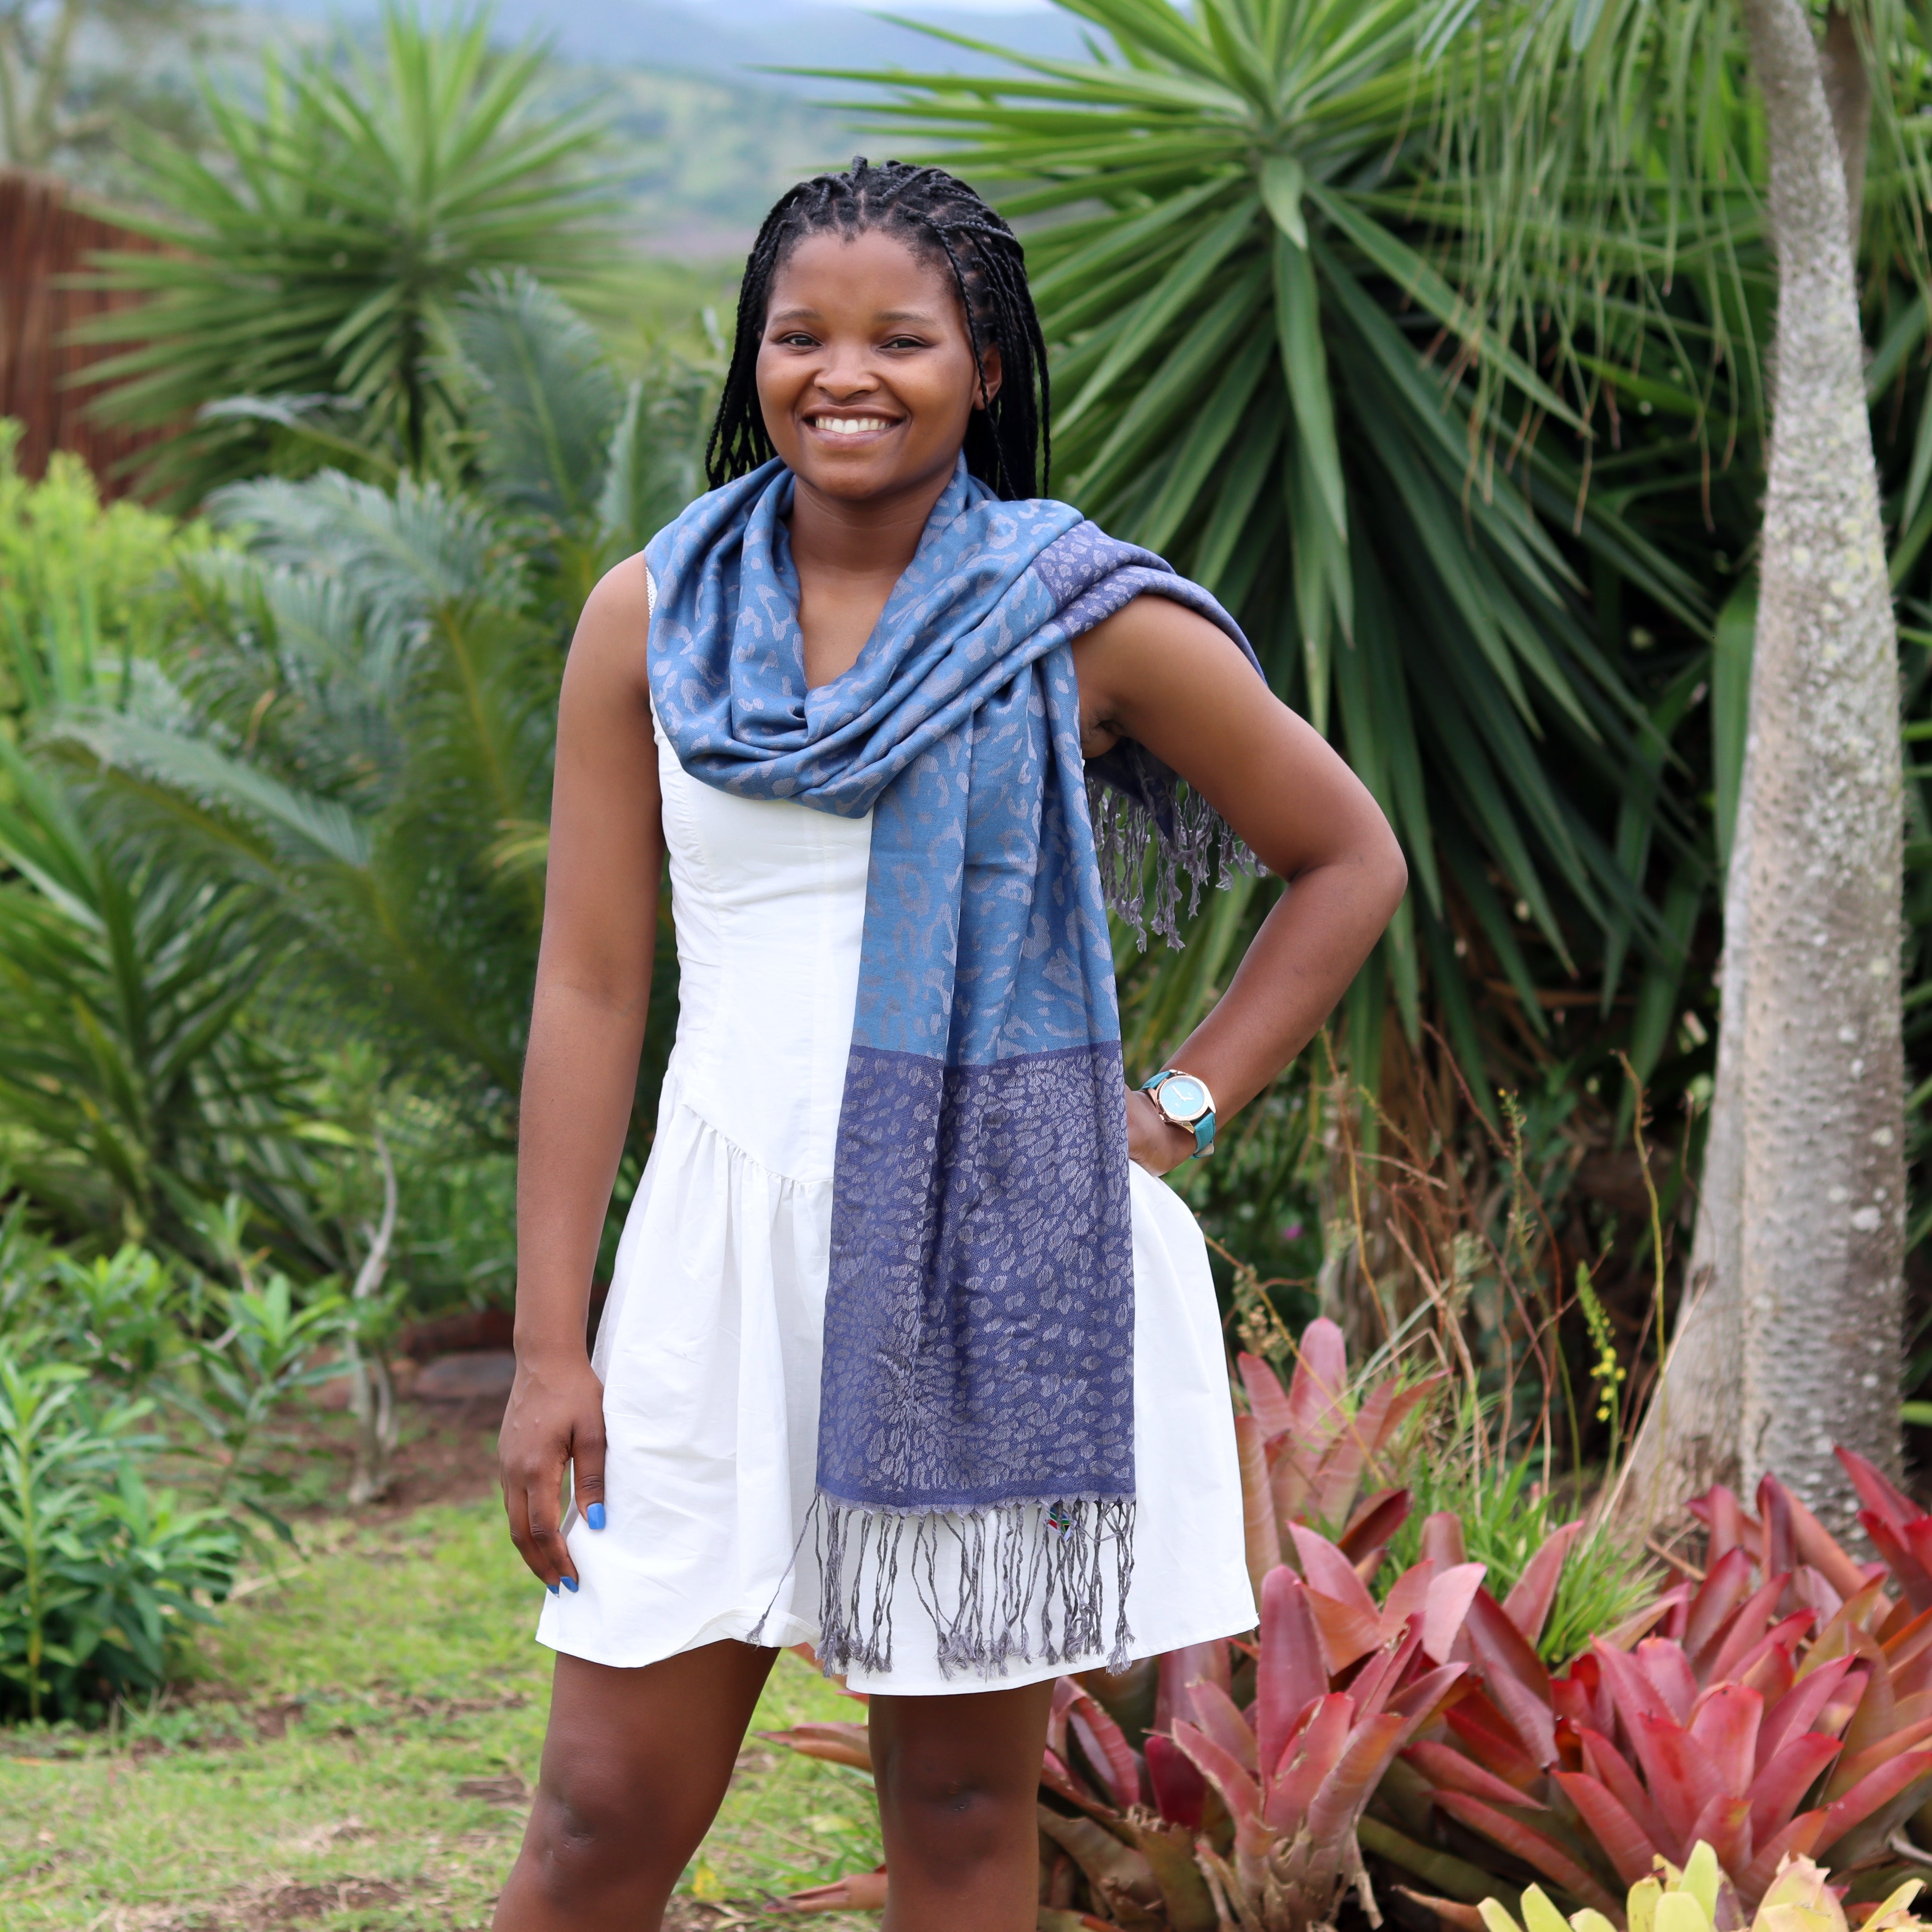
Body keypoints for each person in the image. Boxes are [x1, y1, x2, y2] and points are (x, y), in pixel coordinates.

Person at [492, 159, 1407, 1932]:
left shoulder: (1082, 619)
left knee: (965, 1804)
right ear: (749, 358)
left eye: (900, 338)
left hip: (993, 1261)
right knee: (602, 1815)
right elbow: (592, 986)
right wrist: (548, 1346)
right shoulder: (654, 620)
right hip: (718, 1251)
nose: (846, 373)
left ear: (981, 367)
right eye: (799, 336)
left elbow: (1345, 857)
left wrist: (1173, 1113)